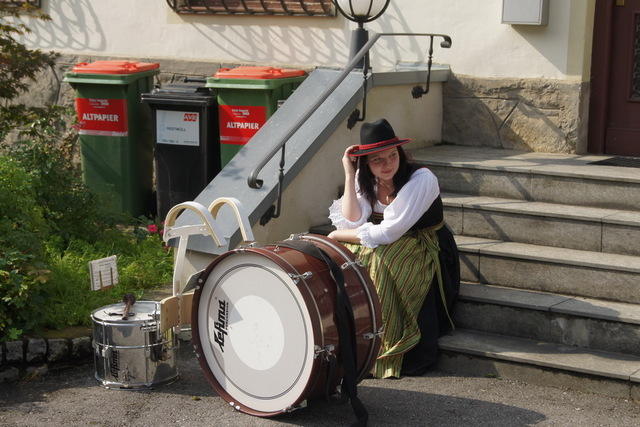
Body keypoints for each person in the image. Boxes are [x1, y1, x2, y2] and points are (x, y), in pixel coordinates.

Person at [327, 118, 460, 379]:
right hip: (388, 239)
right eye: (377, 160)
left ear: (400, 153)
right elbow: (352, 219)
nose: (387, 164)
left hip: (425, 243)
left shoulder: (421, 179)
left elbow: (388, 231)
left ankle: (388, 344)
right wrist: (349, 172)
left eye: (392, 156)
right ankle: (356, 337)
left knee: (379, 259)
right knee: (345, 256)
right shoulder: (365, 179)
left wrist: (335, 234)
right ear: (365, 163)